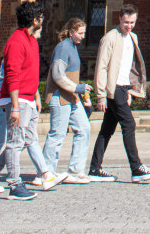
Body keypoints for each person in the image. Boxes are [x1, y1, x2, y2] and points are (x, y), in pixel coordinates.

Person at [0, 0, 60, 200]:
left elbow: (29, 73)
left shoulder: (31, 40)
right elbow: (12, 75)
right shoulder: (16, 41)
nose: (43, 20)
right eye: (41, 17)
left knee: (29, 139)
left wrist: (36, 96)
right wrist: (15, 107)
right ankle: (15, 185)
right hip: (18, 101)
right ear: (35, 20)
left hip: (28, 100)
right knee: (15, 143)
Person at [88, 3, 150, 182]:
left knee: (107, 129)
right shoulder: (110, 38)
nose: (129, 25)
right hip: (113, 88)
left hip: (122, 88)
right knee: (129, 124)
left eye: (132, 22)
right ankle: (136, 168)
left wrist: (130, 90)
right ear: (119, 19)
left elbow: (130, 67)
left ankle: (95, 168)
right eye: (126, 22)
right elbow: (101, 67)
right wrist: (101, 95)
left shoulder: (133, 37)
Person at [41, 17, 93, 183]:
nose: (83, 36)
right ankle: (46, 172)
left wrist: (81, 91)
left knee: (84, 129)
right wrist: (78, 88)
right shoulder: (63, 47)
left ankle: (76, 170)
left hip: (71, 97)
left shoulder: (73, 47)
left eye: (84, 33)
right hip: (59, 97)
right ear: (71, 32)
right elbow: (58, 75)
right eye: (80, 33)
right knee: (57, 134)